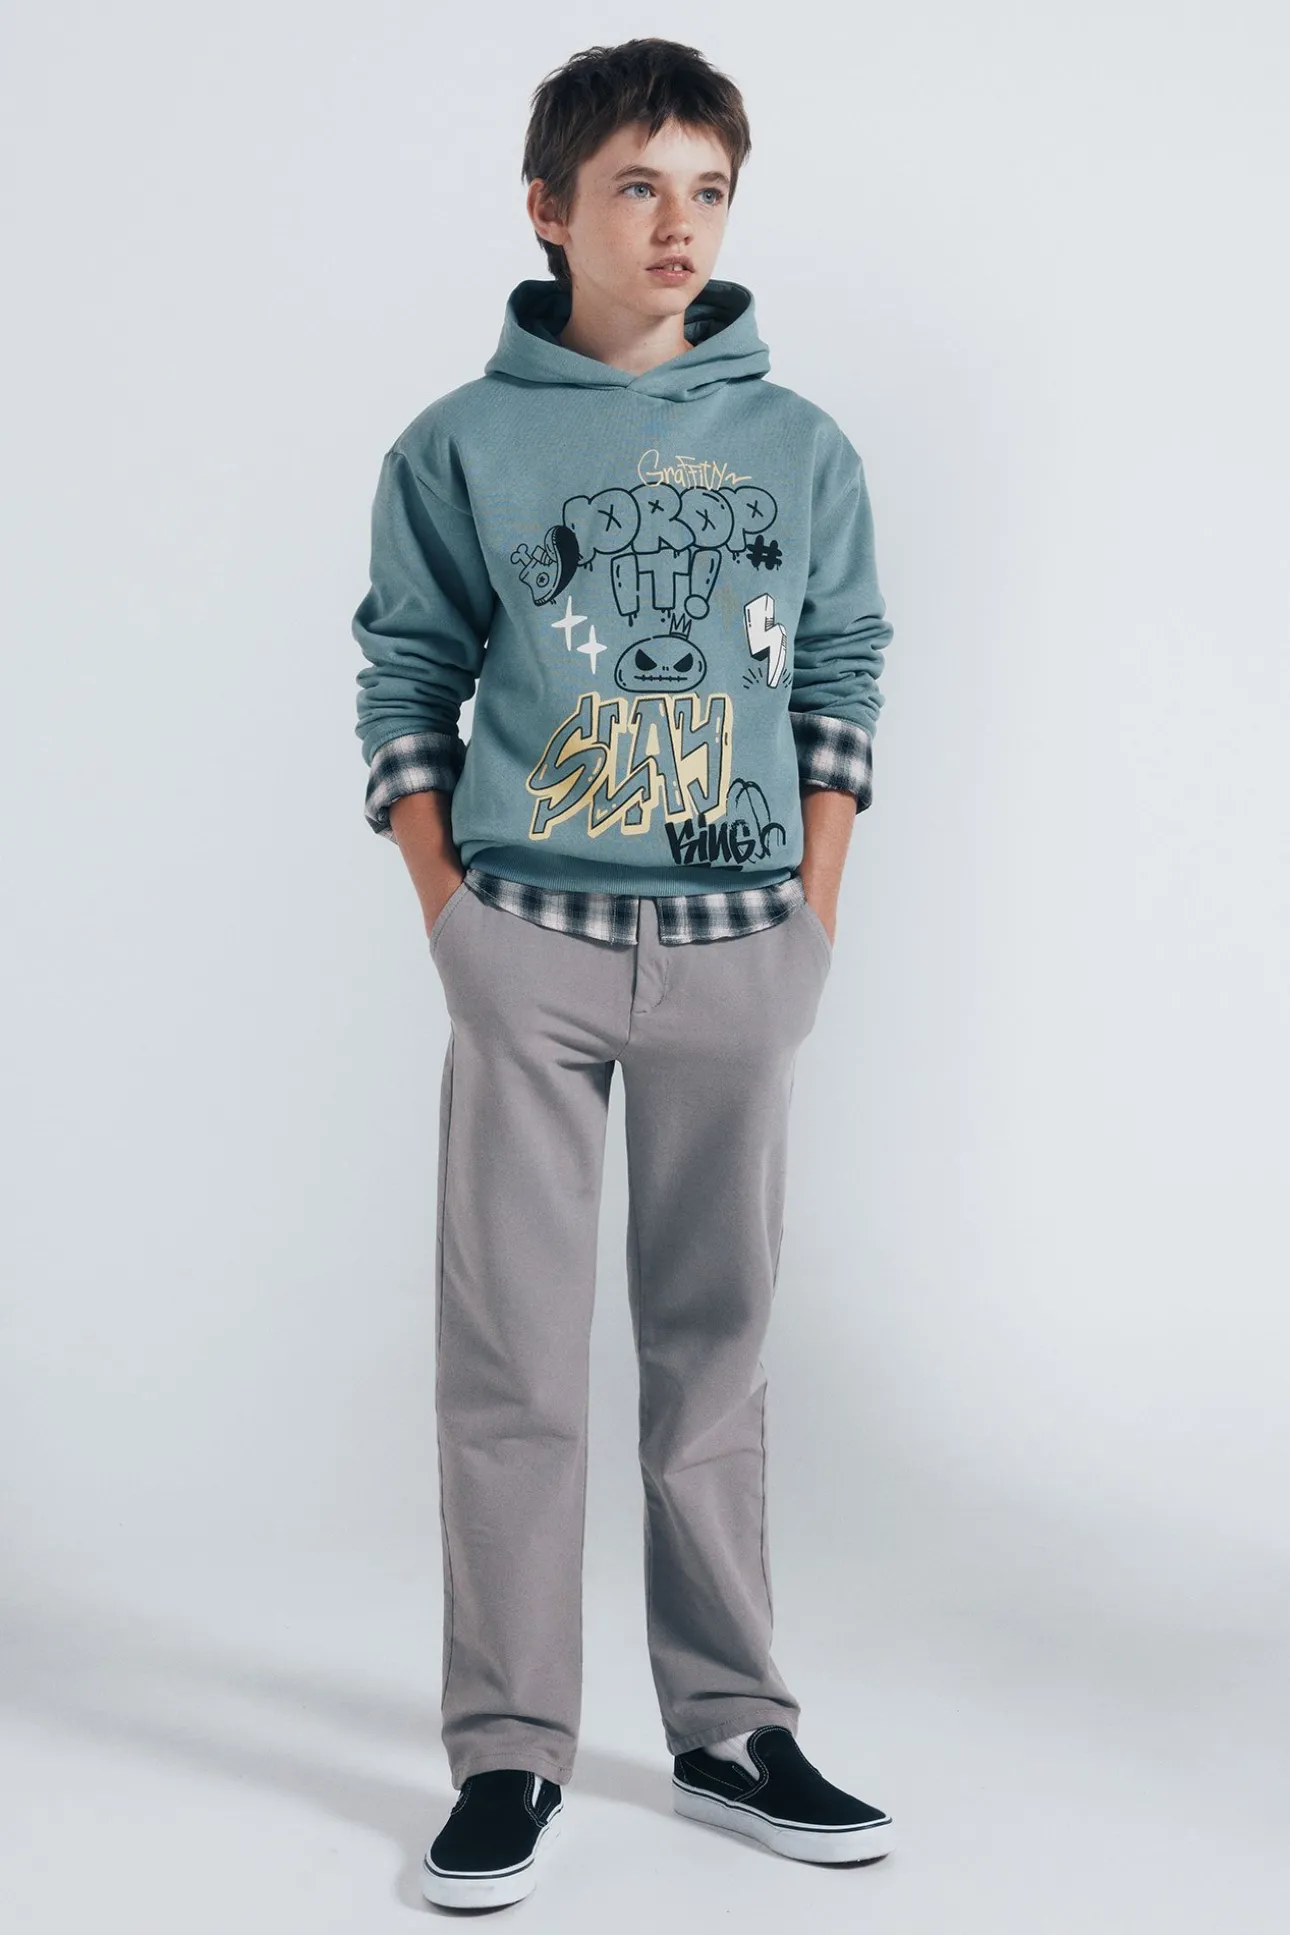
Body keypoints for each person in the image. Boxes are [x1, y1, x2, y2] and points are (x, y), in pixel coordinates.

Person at [352, 36, 896, 1910]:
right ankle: (509, 1747)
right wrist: (451, 912)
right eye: (637, 186)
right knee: (511, 1364)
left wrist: (813, 914)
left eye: (707, 189)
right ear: (548, 207)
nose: (678, 225)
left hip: (742, 954)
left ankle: (731, 1725)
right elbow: (403, 677)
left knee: (713, 1354)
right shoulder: (459, 444)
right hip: (530, 951)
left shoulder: (799, 446)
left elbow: (842, 676)